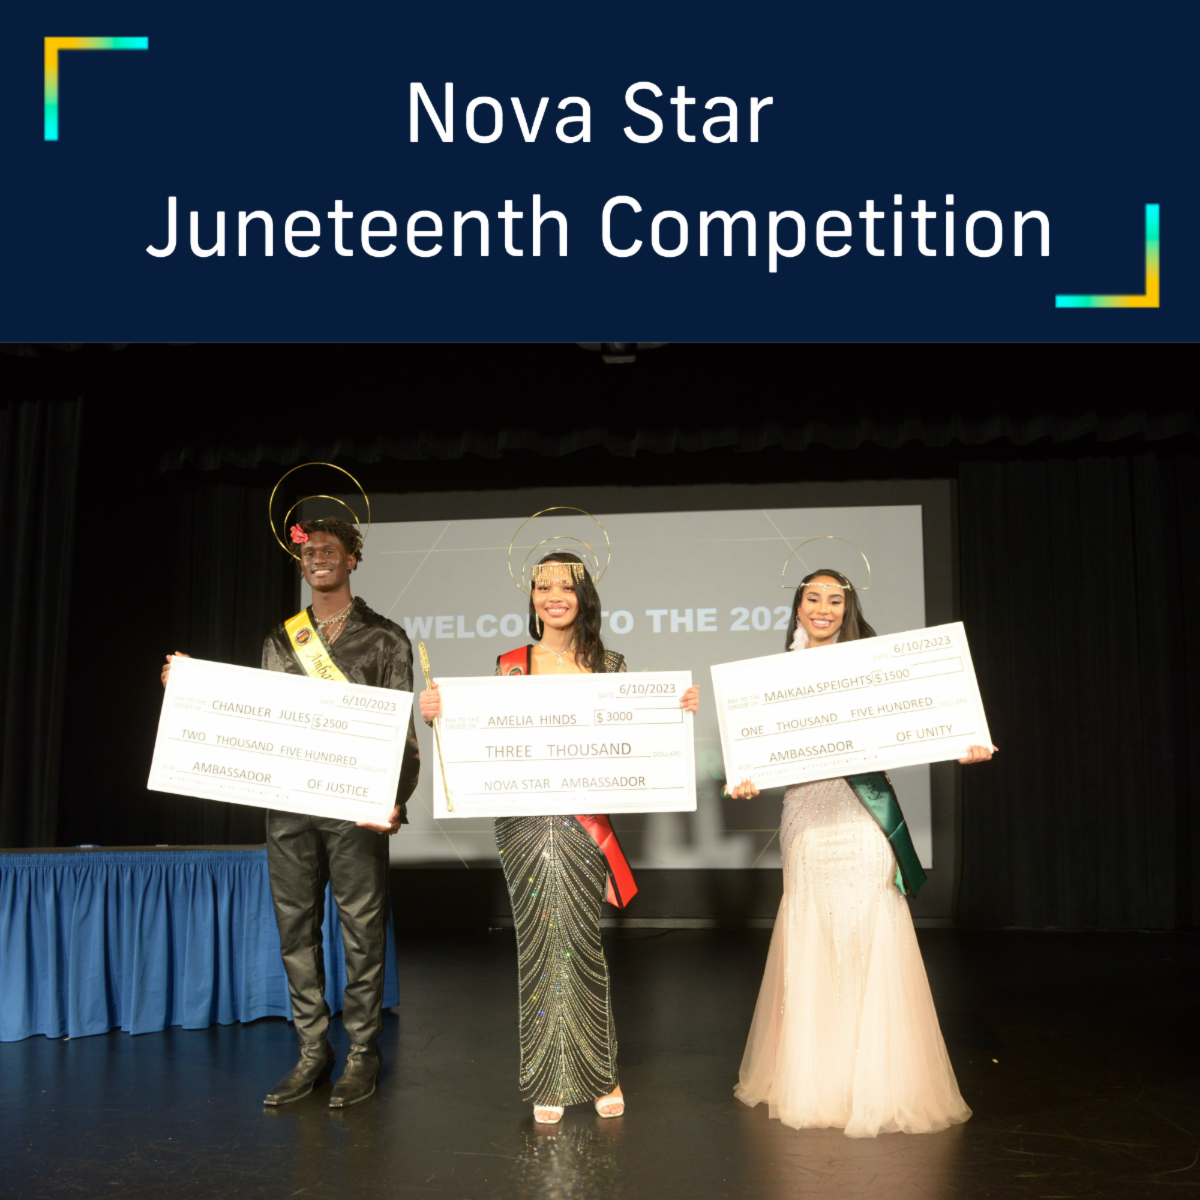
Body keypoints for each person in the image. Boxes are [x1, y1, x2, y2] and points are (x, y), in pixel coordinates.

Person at [420, 551, 700, 1125]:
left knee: (581, 944)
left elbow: (636, 736)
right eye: (543, 586)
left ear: (583, 596)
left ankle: (600, 1072)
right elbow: (484, 736)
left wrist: (676, 711)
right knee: (539, 945)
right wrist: (438, 715)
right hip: (524, 823)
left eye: (565, 587)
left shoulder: (611, 665)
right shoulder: (510, 666)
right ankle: (549, 1075)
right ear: (531, 597)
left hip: (582, 822)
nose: (554, 596)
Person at [162, 517, 419, 1108]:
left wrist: (396, 798)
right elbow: (258, 717)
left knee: (361, 931)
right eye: (310, 551)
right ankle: (312, 1051)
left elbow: (402, 735)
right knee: (295, 929)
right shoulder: (281, 639)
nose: (319, 557)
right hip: (289, 805)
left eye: (331, 549)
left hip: (355, 806)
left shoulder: (386, 639)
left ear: (353, 559)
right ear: (300, 564)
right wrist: (191, 687)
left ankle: (363, 1052)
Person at [729, 568, 994, 1137]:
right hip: (807, 816)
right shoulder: (772, 677)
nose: (823, 608)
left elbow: (924, 717)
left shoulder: (877, 666)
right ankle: (819, 1077)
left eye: (834, 599)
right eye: (813, 598)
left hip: (863, 818)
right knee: (815, 933)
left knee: (869, 930)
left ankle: (879, 1078)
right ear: (798, 608)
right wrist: (745, 777)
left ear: (847, 609)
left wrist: (963, 742)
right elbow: (753, 748)